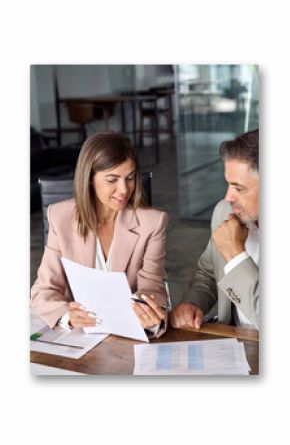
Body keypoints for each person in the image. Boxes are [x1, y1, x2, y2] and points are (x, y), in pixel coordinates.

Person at [31, 131, 168, 338]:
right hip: (79, 335)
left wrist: (147, 314)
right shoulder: (60, 217)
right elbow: (43, 291)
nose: (124, 190)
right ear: (89, 179)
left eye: (130, 178)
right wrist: (67, 315)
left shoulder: (152, 223)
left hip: (128, 333)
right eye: (112, 179)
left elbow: (152, 287)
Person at [170, 129, 259, 330]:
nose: (229, 197)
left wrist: (235, 255)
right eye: (228, 184)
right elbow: (209, 273)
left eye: (239, 188)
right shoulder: (224, 212)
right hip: (233, 339)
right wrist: (193, 303)